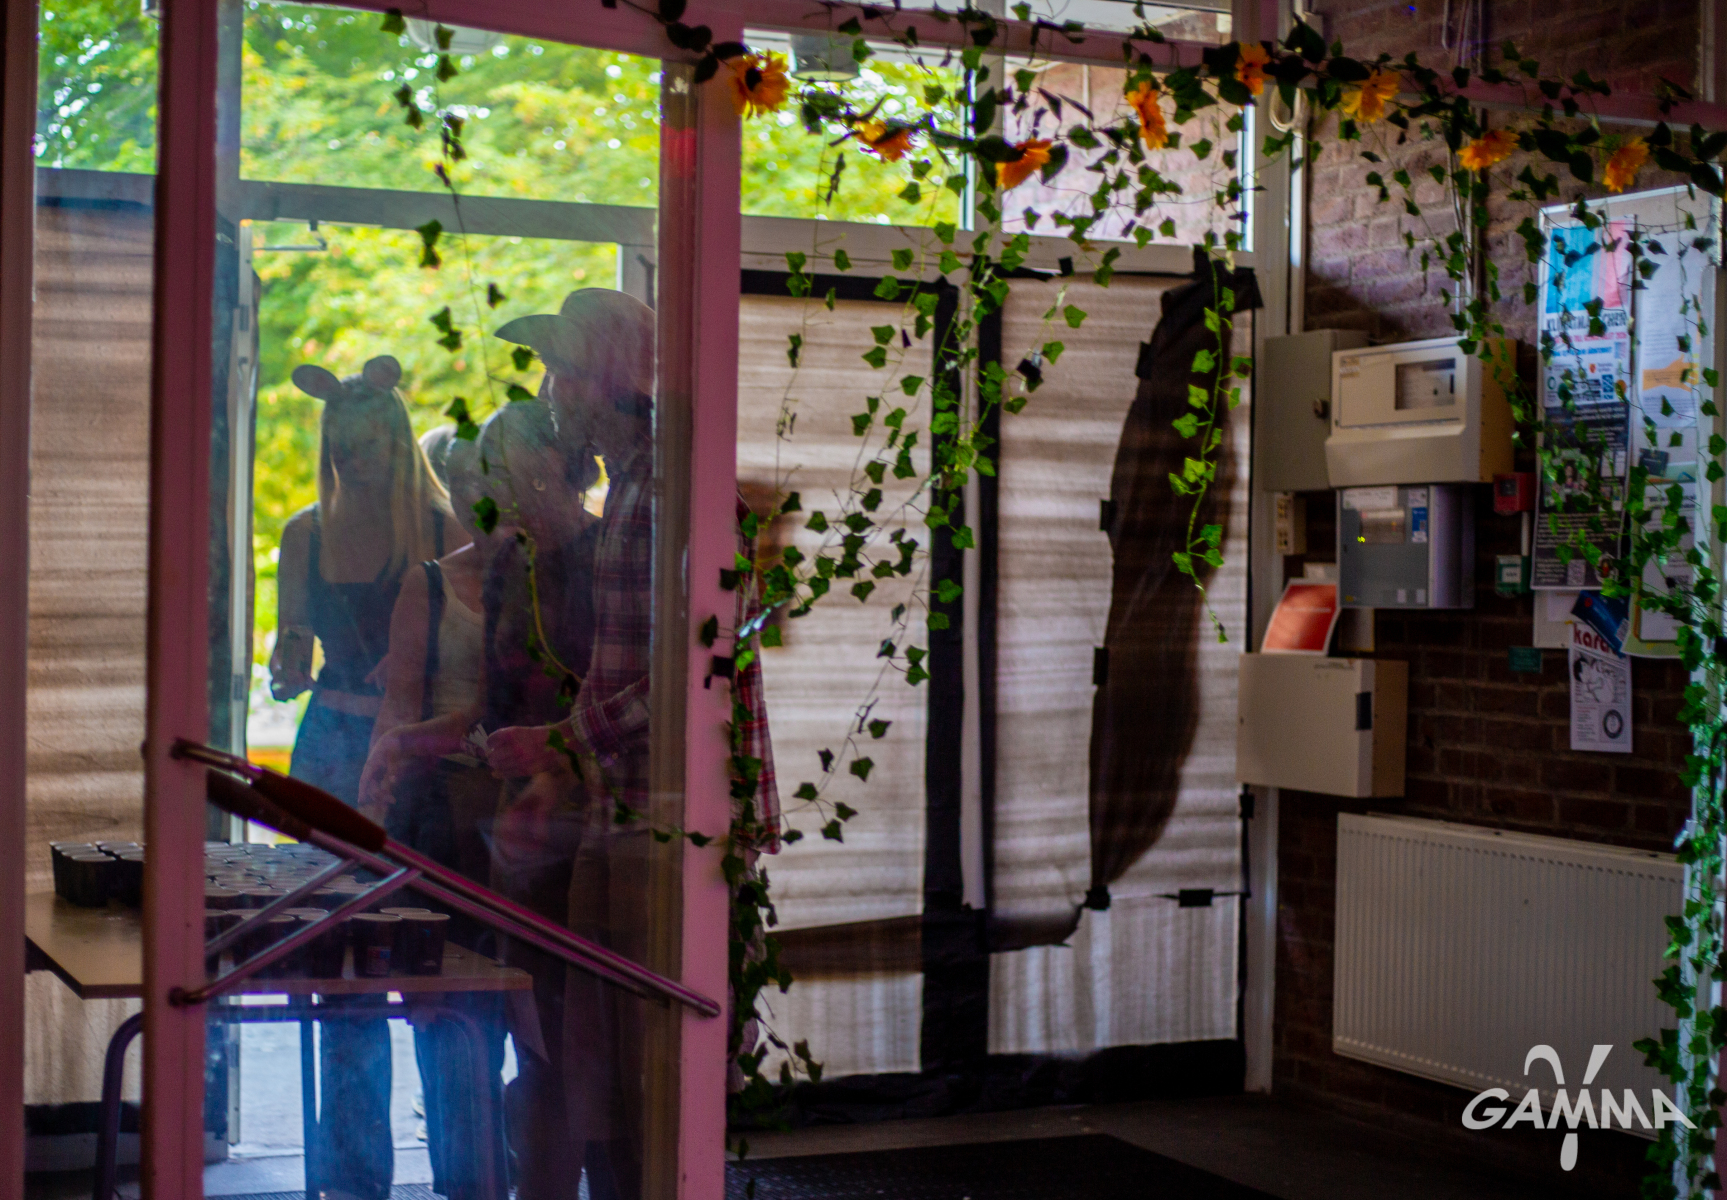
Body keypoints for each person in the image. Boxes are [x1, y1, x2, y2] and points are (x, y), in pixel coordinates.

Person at [269, 354, 451, 1200]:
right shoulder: (303, 534)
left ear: (399, 442)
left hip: (416, 756)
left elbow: (470, 655)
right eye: (340, 449)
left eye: (367, 447)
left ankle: (465, 1171)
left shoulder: (442, 530)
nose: (353, 462)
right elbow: (290, 641)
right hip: (332, 749)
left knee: (433, 956)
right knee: (338, 962)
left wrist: (416, 673)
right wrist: (286, 661)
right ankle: (352, 1182)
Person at [359, 429, 508, 1200]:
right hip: (445, 813)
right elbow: (399, 704)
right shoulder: (431, 582)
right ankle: (466, 1179)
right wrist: (377, 799)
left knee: (525, 1005)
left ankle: (504, 1164)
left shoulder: (552, 577)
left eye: (485, 481)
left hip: (529, 810)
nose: (474, 499)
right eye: (459, 484)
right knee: (447, 1004)